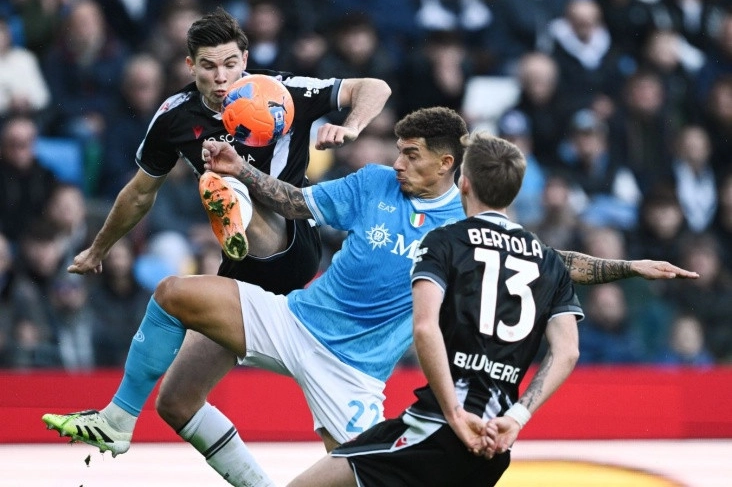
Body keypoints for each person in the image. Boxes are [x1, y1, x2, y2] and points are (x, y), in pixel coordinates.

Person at [43, 107, 697, 486]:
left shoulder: (466, 229)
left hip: (355, 374)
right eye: (400, 152)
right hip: (296, 319)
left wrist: (629, 267)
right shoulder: (375, 182)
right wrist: (242, 171)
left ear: (447, 165)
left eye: (412, 154)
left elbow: (559, 263)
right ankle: (121, 418)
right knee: (173, 306)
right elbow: (297, 202)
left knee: (357, 481)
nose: (399, 161)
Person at [43, 6, 390, 487]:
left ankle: (229, 201)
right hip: (244, 271)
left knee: (217, 177)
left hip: (290, 242)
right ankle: (228, 472)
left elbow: (374, 87)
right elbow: (140, 192)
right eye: (208, 66)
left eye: (230, 64)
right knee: (177, 401)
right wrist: (99, 248)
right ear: (190, 66)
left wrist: (351, 125)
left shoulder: (280, 92)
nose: (221, 77)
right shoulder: (175, 116)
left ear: (245, 59)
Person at [286, 130, 584, 487]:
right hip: (496, 443)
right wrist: (517, 417)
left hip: (438, 428)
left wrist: (454, 414)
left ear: (464, 183)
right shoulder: (548, 261)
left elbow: (425, 328)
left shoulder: (447, 240)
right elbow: (567, 351)